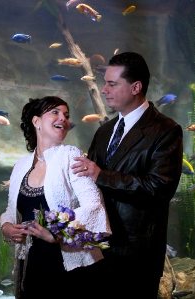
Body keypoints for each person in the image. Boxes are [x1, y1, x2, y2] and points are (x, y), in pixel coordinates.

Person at [71, 52, 183, 298]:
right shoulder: (105, 131)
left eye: (112, 84)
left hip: (136, 256)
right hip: (95, 249)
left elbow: (159, 188)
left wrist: (101, 175)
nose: (104, 90)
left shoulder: (166, 130)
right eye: (105, 83)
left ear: (136, 87)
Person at [0, 96, 111, 299]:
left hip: (71, 266)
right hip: (33, 266)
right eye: (55, 112)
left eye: (66, 115)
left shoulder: (70, 155)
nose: (64, 119)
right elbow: (11, 210)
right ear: (36, 122)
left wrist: (56, 232)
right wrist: (6, 227)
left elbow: (93, 204)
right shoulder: (20, 166)